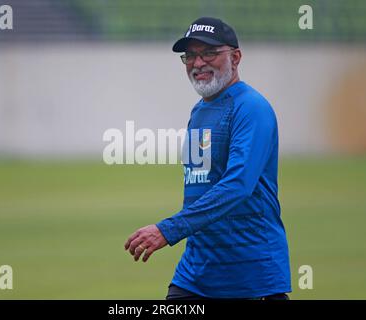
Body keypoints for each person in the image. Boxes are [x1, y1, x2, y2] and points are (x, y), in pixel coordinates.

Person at [124, 17, 291, 300]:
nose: (198, 63)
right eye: (190, 55)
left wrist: (168, 229)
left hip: (251, 276)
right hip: (196, 274)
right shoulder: (198, 111)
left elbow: (238, 184)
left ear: (235, 57)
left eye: (209, 53)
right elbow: (202, 186)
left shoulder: (251, 108)